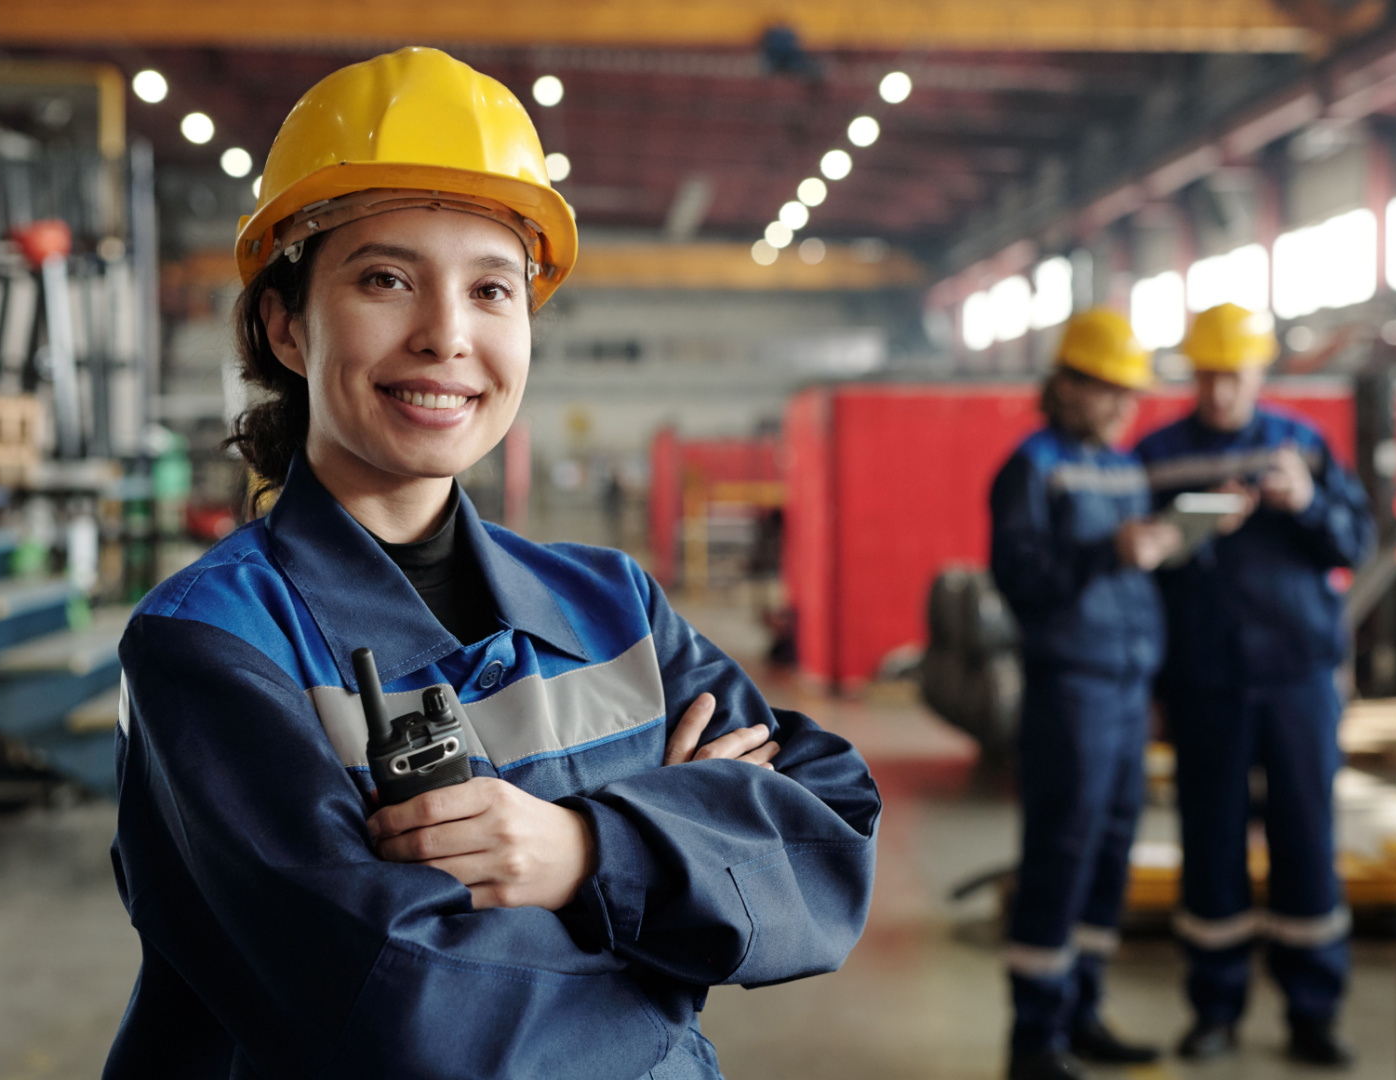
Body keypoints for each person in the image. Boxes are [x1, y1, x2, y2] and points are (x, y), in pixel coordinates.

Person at [104, 48, 880, 1079]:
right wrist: (683, 909)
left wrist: (591, 854)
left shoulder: (614, 606)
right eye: (386, 279)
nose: (446, 336)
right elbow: (413, 1019)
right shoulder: (211, 647)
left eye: (491, 289)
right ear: (288, 325)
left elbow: (830, 842)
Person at [1134, 303, 1374, 1065]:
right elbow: (1144, 575)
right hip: (1206, 679)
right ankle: (1215, 1007)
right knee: (1211, 842)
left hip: (1298, 675)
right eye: (1206, 375)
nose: (1219, 391)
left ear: (1260, 373)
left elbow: (1356, 540)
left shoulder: (1300, 444)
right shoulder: (1157, 455)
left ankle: (1313, 1010)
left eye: (1232, 376)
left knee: (1307, 836)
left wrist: (1306, 500)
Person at [989, 309, 1183, 1080]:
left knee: (1110, 853)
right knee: (1061, 852)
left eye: (1128, 394)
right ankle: (1034, 1040)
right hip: (1070, 687)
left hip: (1129, 683)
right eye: (1108, 391)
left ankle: (1082, 1012)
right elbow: (1024, 583)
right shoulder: (1030, 468)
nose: (1122, 406)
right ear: (1065, 384)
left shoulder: (1128, 466)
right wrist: (1112, 553)